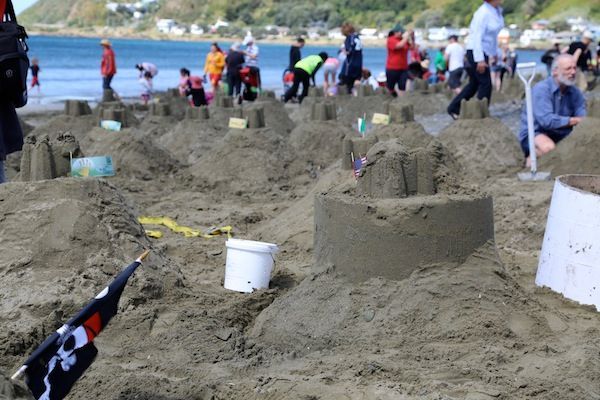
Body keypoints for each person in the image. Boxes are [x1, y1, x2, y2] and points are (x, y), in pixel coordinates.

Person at [518, 54, 586, 167]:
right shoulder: (542, 90)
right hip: (536, 133)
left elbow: (583, 118)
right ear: (555, 71)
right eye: (568, 68)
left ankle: (538, 159)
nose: (573, 72)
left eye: (574, 68)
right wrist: (574, 121)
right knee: (549, 148)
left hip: (562, 132)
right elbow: (546, 121)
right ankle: (530, 161)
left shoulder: (575, 92)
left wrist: (580, 121)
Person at [447, 0, 504, 119]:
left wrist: (494, 53)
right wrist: (480, 59)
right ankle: (481, 113)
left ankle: (454, 108)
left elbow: (492, 37)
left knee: (474, 83)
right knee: (485, 83)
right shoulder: (482, 12)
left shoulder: (497, 11)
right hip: (476, 51)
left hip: (485, 51)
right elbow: (477, 36)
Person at [385, 24, 412, 97]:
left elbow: (412, 47)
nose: (401, 33)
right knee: (390, 87)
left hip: (403, 68)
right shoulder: (391, 39)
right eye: (399, 32)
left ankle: (401, 102)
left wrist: (410, 37)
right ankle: (390, 99)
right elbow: (399, 46)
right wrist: (406, 38)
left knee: (402, 87)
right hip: (392, 68)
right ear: (395, 32)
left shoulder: (403, 40)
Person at [339, 22, 363, 94]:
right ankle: (358, 95)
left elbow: (349, 50)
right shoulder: (357, 37)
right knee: (357, 79)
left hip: (350, 64)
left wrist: (344, 51)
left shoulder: (349, 38)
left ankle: (348, 97)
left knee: (345, 80)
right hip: (359, 63)